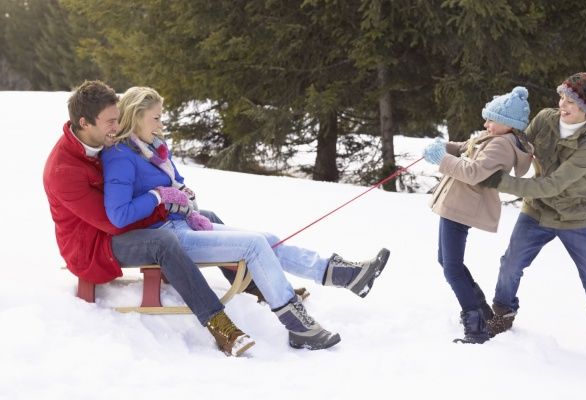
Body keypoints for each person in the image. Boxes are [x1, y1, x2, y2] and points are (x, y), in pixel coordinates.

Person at [101, 86, 391, 353]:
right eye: (155, 118)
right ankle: (297, 325)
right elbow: (119, 214)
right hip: (165, 236)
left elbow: (174, 184)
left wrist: (181, 192)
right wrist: (158, 194)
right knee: (253, 244)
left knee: (266, 240)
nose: (161, 123)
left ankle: (342, 274)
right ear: (137, 116)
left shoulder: (154, 150)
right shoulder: (120, 156)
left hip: (185, 223)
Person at [44, 80, 266, 357]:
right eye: (111, 121)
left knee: (202, 215)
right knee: (163, 239)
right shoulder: (63, 170)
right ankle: (219, 324)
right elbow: (114, 222)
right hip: (92, 245)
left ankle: (257, 285)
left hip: (116, 226)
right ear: (84, 122)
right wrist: (161, 201)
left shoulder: (100, 142)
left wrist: (172, 196)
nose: (118, 126)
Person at [480, 68, 586, 351]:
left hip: (577, 216)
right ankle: (503, 312)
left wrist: (501, 182)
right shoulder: (545, 118)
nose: (562, 104)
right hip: (537, 210)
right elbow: (520, 144)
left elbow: (553, 184)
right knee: (511, 262)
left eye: (570, 101)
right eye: (561, 97)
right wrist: (486, 148)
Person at [422, 86, 533, 343]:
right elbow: (465, 148)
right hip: (456, 204)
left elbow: (473, 172)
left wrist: (441, 159)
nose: (485, 123)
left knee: (451, 268)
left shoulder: (502, 147)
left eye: (491, 120)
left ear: (507, 124)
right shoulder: (491, 137)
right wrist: (443, 147)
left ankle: (476, 326)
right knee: (447, 262)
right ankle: (481, 310)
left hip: (463, 207)